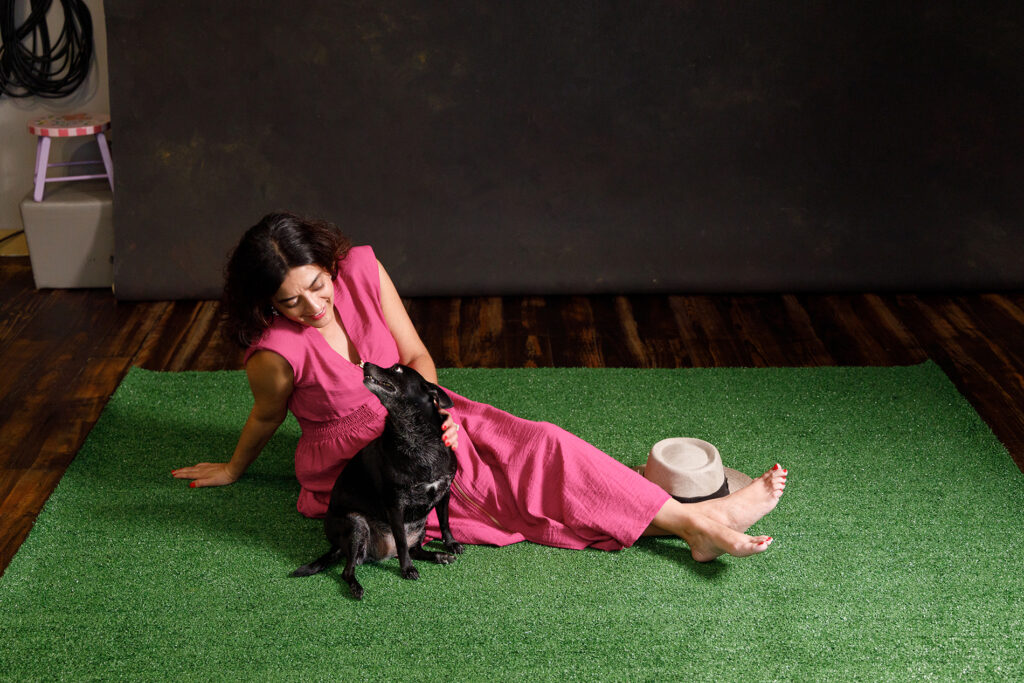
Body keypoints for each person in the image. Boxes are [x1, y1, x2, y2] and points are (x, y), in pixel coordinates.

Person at [172, 212, 787, 562]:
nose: (312, 305)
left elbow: (414, 353)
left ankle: (694, 521)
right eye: (289, 300)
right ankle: (695, 522)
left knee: (539, 443)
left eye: (317, 285)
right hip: (360, 462)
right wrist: (232, 467)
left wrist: (438, 411)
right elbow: (266, 417)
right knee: (503, 493)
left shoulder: (360, 267)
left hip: (424, 408)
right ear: (265, 302)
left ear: (329, 264)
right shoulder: (273, 353)